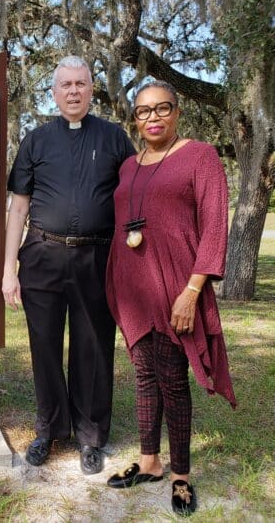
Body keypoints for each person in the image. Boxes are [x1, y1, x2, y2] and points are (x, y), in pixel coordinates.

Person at [105, 80, 236, 516]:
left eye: (162, 109)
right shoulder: (129, 166)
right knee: (144, 376)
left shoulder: (201, 156)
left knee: (173, 380)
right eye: (143, 111)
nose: (153, 117)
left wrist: (193, 291)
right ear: (135, 119)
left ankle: (180, 473)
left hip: (178, 288)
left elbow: (215, 226)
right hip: (134, 291)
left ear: (177, 112)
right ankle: (149, 462)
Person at [2, 55, 135, 474]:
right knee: (43, 345)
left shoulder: (114, 139)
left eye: (81, 83)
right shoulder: (35, 141)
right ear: (54, 92)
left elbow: (134, 200)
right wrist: (9, 270)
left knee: (93, 346)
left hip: (97, 258)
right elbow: (18, 207)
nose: (73, 91)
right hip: (41, 256)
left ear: (92, 88)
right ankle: (49, 429)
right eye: (65, 85)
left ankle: (91, 437)